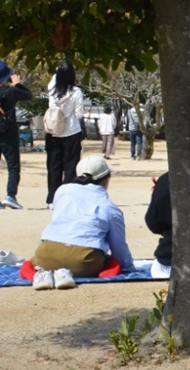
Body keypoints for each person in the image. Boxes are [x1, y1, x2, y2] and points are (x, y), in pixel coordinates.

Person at [31, 156, 134, 289]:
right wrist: (129, 268)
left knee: (34, 261)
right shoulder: (110, 207)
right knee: (113, 262)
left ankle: (43, 274)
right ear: (106, 179)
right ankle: (72, 272)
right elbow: (118, 246)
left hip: (46, 254)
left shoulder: (62, 191)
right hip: (84, 261)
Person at [45, 61, 85, 205]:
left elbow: (55, 78)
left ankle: (52, 199)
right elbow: (79, 114)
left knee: (53, 167)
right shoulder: (76, 92)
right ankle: (67, 199)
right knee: (70, 167)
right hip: (72, 132)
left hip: (53, 132)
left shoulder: (51, 89)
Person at [0, 60, 33, 210]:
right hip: (8, 132)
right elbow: (28, 95)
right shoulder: (10, 91)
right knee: (13, 166)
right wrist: (17, 84)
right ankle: (10, 195)